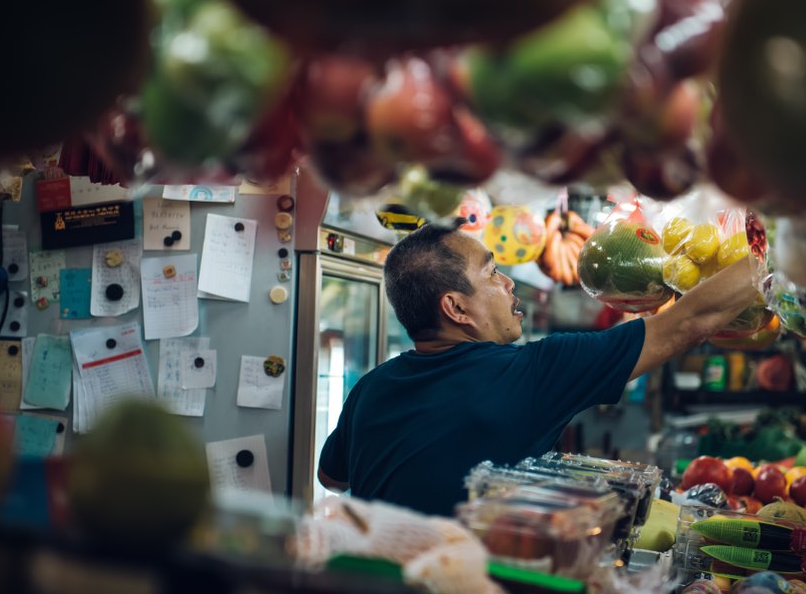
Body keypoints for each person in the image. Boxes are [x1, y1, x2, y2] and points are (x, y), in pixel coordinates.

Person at [318, 219, 760, 516]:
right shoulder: (532, 373)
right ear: (456, 308)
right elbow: (688, 324)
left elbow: (332, 476)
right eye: (492, 273)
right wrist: (777, 253)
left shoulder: (371, 387)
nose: (509, 283)